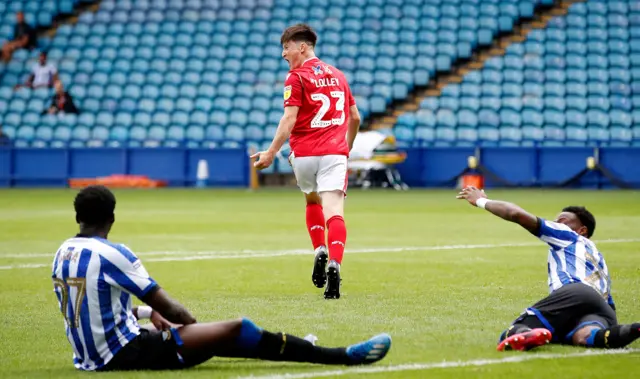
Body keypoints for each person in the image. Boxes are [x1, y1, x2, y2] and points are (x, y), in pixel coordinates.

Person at [51, 185, 391, 371]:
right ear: (112, 218)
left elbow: (96, 302)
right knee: (236, 329)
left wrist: (144, 314)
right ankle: (340, 355)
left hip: (90, 355)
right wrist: (191, 327)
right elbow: (169, 306)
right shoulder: (113, 253)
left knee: (217, 338)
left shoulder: (62, 252)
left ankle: (300, 347)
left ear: (78, 217)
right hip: (125, 354)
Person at [251, 24, 361, 299]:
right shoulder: (338, 75)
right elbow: (355, 117)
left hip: (304, 155)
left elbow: (289, 118)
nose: (283, 54)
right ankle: (335, 262)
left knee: (312, 201)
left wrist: (270, 152)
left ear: (302, 47)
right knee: (334, 210)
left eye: (286, 47)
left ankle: (319, 249)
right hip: (334, 154)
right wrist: (345, 147)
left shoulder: (295, 77)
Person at [456, 186, 640, 352]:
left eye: (563, 220)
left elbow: (515, 214)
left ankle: (527, 332)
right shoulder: (598, 257)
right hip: (603, 309)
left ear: (582, 230)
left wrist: (480, 200)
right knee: (584, 337)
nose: (557, 223)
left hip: (577, 292)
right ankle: (629, 330)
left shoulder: (568, 236)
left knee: (515, 329)